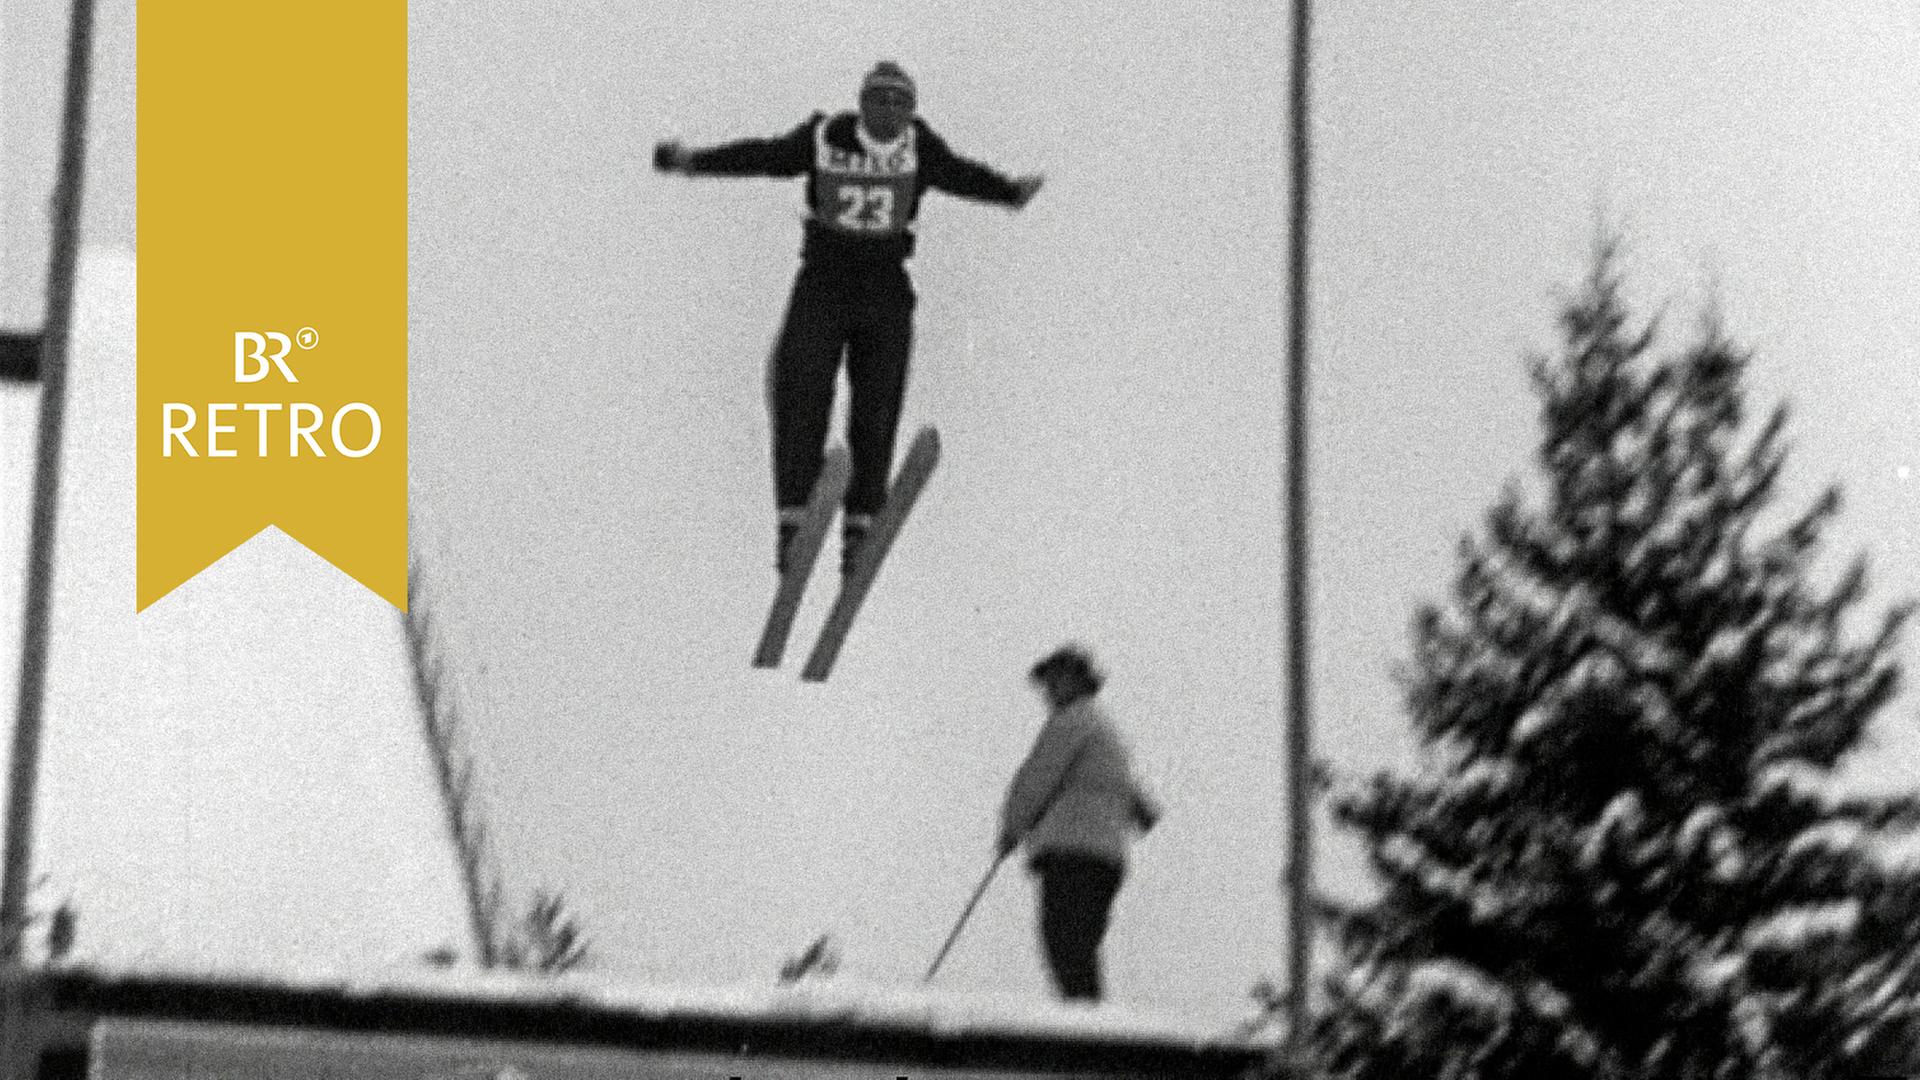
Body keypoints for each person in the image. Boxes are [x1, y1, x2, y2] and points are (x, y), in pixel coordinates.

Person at [654, 62, 1044, 574]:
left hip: (884, 288)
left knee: (877, 404)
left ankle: (861, 522)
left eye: (899, 104)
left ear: (911, 112)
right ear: (861, 105)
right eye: (878, 100)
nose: (889, 113)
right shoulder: (825, 137)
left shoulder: (919, 148)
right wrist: (693, 162)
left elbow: (961, 175)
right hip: (825, 281)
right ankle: (795, 519)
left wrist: (1009, 192)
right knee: (802, 389)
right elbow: (764, 156)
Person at [998, 645, 1160, 1002]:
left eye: (1057, 681)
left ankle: (1086, 1018)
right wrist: (1139, 812)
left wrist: (1012, 828)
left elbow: (1037, 777)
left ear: (1079, 681)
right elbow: (1127, 790)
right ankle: (1089, 1014)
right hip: (1105, 858)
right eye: (1048, 684)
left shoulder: (1071, 720)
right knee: (1080, 944)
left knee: (1064, 941)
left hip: (1072, 851)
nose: (1050, 692)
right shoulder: (1103, 727)